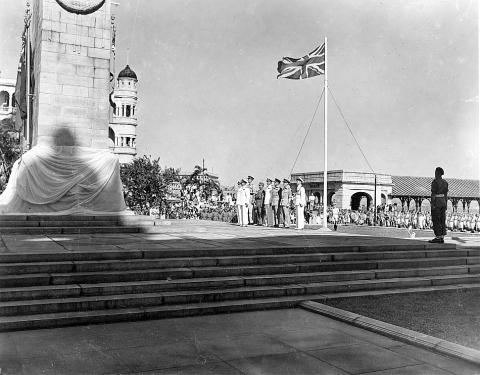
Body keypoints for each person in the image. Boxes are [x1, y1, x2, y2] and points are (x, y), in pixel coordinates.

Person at [430, 167, 448, 243]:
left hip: (437, 202)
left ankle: (438, 237)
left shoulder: (435, 182)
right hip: (443, 202)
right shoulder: (445, 182)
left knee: (436, 219)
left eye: (435, 172)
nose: (435, 174)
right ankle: (442, 237)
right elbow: (446, 195)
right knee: (442, 219)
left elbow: (433, 194)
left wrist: (432, 203)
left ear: (438, 173)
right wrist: (446, 204)